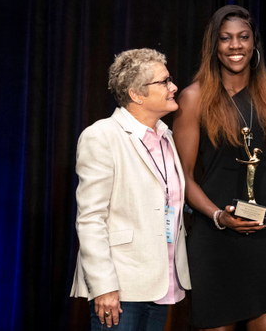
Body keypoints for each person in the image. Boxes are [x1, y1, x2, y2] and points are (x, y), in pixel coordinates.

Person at [173, 5, 266, 331]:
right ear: (214, 45)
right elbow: (183, 176)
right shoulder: (194, 98)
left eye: (243, 37)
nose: (235, 46)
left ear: (254, 44)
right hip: (215, 239)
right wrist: (218, 216)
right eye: (226, 39)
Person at [70, 48, 191, 330]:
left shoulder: (167, 138)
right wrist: (104, 286)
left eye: (170, 79)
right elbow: (90, 219)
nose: (174, 87)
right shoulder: (101, 136)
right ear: (136, 94)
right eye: (163, 82)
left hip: (161, 283)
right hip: (121, 286)